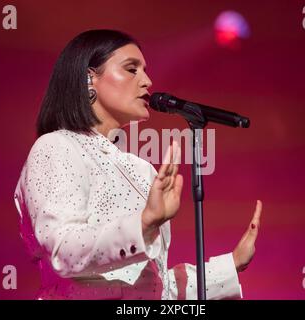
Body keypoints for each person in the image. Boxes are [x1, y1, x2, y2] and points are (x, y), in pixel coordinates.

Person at [13, 29, 263, 300]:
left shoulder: (140, 168)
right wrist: (142, 224)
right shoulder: (57, 147)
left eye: (145, 70)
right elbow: (63, 249)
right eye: (132, 69)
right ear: (89, 78)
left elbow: (155, 287)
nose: (147, 81)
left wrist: (231, 265)